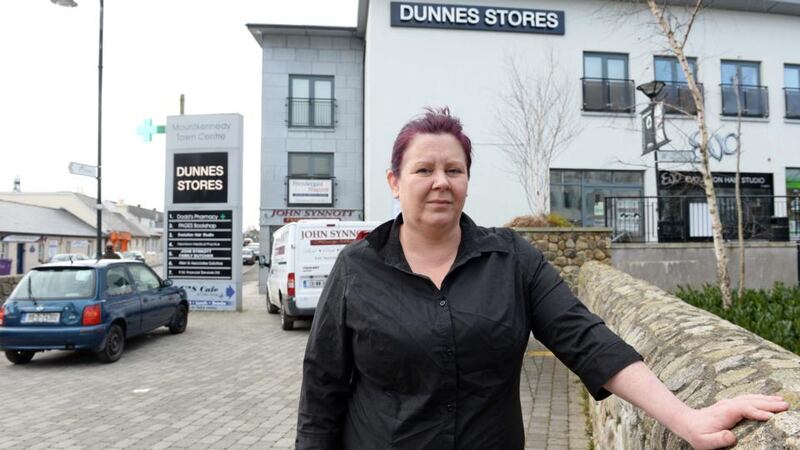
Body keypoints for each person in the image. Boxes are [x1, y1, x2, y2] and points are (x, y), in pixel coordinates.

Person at [296, 107, 788, 450]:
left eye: (455, 169)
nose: (441, 181)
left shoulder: (511, 258)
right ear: (394, 182)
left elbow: (586, 339)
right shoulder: (357, 268)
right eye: (423, 169)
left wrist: (686, 418)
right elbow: (323, 390)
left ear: (468, 179)